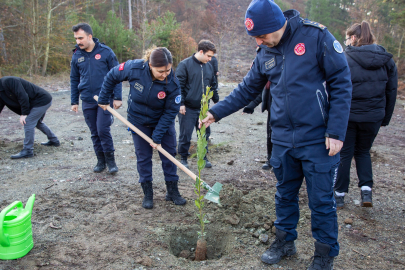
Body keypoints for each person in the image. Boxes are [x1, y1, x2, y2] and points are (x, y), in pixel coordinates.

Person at [200, 1, 352, 269]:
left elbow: (341, 81)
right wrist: (216, 112)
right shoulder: (265, 52)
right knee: (284, 196)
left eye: (261, 35)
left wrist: (337, 131)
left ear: (276, 25)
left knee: (321, 202)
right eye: (255, 37)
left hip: (318, 139)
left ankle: (324, 255)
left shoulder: (315, 37)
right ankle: (284, 242)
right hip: (282, 139)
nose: (258, 41)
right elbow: (247, 90)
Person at [97, 46, 186, 209]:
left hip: (162, 121)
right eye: (161, 71)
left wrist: (158, 135)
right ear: (150, 65)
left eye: (168, 70)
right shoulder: (134, 68)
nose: (165, 74)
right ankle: (148, 194)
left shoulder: (173, 82)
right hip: (138, 121)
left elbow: (171, 110)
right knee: (143, 157)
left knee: (169, 155)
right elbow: (112, 75)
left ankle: (172, 192)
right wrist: (104, 97)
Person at [334, 21, 397, 209]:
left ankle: (339, 195)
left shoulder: (345, 58)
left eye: (347, 38)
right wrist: (385, 117)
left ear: (354, 38)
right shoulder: (387, 60)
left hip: (349, 116)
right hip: (373, 117)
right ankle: (366, 191)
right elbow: (391, 91)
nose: (346, 41)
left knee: (345, 153)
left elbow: (336, 89)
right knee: (363, 152)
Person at [70, 22, 122, 174]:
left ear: (89, 36)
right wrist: (74, 101)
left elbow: (117, 74)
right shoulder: (77, 55)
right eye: (76, 38)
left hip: (105, 99)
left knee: (102, 129)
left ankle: (111, 162)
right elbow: (74, 79)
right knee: (94, 132)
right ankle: (101, 161)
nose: (78, 41)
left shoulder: (106, 52)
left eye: (80, 38)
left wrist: (117, 97)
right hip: (87, 99)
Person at [176, 40, 219, 169]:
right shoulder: (184, 65)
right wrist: (181, 103)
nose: (210, 59)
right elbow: (179, 86)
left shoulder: (209, 66)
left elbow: (213, 84)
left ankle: (203, 157)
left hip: (203, 108)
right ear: (201, 52)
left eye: (211, 56)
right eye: (208, 56)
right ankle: (183, 158)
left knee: (204, 133)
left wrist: (216, 100)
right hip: (187, 108)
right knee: (185, 134)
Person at [0, 76, 60, 159]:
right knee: (38, 123)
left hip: (42, 100)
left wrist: (24, 114)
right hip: (34, 103)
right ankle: (54, 141)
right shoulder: (1, 92)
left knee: (28, 122)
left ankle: (28, 151)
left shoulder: (9, 81)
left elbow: (22, 96)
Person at [242, 81, 272, 170]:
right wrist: (250, 106)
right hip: (272, 111)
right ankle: (270, 160)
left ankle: (279, 161)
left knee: (280, 138)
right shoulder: (268, 80)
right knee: (270, 136)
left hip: (282, 113)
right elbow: (261, 93)